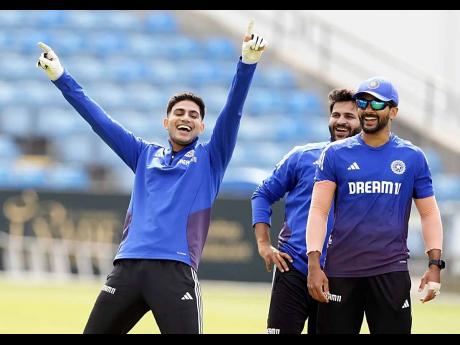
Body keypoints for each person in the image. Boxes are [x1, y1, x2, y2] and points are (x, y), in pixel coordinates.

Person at [36, 20, 266, 334]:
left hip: (175, 271)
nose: (186, 117)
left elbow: (233, 111)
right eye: (179, 113)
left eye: (194, 115)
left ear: (201, 127)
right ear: (166, 121)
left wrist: (247, 63)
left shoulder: (211, 158)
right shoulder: (144, 154)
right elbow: (99, 120)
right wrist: (60, 77)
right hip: (127, 268)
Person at [306, 77, 445, 334]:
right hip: (341, 272)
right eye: (363, 102)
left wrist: (434, 265)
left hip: (390, 273)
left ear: (393, 111)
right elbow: (318, 211)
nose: (368, 109)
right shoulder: (335, 154)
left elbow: (428, 213)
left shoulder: (412, 157)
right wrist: (314, 263)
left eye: (377, 103)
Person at [251, 89, 361, 334]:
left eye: (349, 116)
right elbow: (262, 195)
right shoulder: (303, 156)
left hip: (342, 275)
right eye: (336, 114)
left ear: (363, 120)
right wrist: (263, 244)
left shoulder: (371, 167)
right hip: (293, 269)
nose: (341, 121)